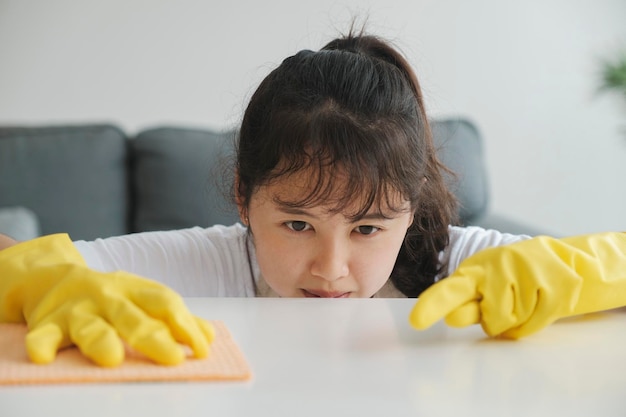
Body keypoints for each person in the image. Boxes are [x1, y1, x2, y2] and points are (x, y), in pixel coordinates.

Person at [1, 29, 625, 368]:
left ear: (411, 210)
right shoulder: (217, 267)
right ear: (244, 199)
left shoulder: (457, 267)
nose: (331, 269)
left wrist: (592, 270)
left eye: (369, 228)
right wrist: (34, 278)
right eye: (298, 224)